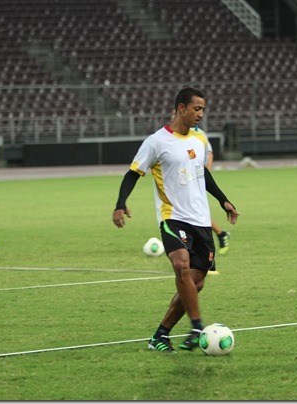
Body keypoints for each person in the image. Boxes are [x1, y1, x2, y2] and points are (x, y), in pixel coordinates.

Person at [112, 87, 239, 353]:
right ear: (181, 108)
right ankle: (196, 327)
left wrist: (223, 199)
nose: (200, 114)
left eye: (203, 109)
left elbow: (202, 173)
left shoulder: (199, 140)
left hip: (201, 221)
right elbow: (133, 174)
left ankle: (160, 335)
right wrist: (121, 203)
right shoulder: (156, 142)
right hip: (173, 218)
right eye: (196, 109)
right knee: (181, 267)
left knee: (196, 282)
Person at [205, 134, 231, 255]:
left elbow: (209, 153)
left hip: (197, 182)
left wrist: (207, 176)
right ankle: (221, 234)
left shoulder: (198, 135)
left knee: (198, 215)